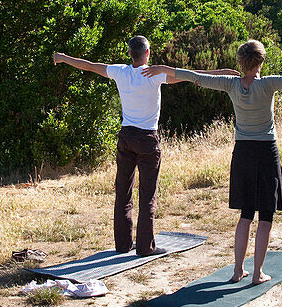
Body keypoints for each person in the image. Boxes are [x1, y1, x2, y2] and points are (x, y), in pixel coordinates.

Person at [143, 40, 282, 284]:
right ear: (261, 61)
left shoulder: (230, 84)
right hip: (266, 152)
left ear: (240, 62)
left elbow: (194, 76)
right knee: (266, 215)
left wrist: (163, 68)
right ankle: (257, 274)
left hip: (242, 152)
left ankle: (237, 271)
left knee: (245, 214)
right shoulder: (268, 84)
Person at [54, 37, 237, 256]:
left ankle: (122, 245)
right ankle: (144, 247)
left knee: (123, 191)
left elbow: (90, 66)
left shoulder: (120, 71)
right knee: (147, 195)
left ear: (130, 53)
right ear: (148, 53)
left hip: (125, 137)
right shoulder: (154, 74)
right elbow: (192, 75)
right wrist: (224, 72)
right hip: (147, 140)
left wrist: (63, 58)